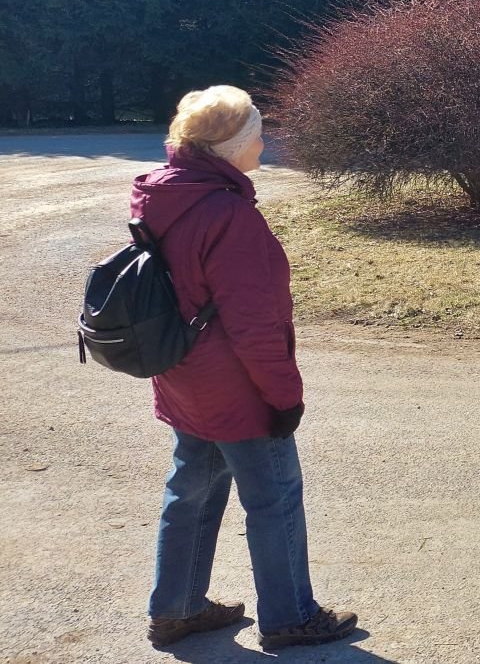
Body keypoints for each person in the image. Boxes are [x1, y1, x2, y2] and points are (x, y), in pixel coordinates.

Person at [132, 86, 357, 650]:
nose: (264, 142)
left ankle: (176, 609)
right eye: (257, 133)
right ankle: (290, 617)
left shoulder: (162, 194)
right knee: (273, 498)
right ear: (231, 147)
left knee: (190, 491)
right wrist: (284, 397)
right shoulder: (229, 215)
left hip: (183, 372)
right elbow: (254, 324)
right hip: (237, 386)